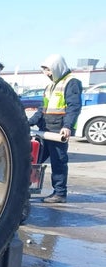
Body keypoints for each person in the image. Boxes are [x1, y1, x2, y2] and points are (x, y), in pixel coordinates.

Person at [29, 54, 82, 203]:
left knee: (58, 161)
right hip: (45, 130)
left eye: (48, 70)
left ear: (57, 67)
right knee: (34, 160)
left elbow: (74, 107)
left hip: (58, 131)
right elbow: (42, 109)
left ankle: (60, 193)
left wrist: (67, 126)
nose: (47, 73)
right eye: (45, 70)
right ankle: (28, 188)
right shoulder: (51, 86)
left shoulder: (71, 83)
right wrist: (29, 122)